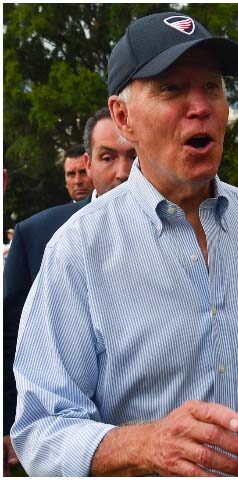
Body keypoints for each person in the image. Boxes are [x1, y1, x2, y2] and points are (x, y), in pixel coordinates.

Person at [11, 12, 238, 477]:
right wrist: (142, 444)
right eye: (172, 89)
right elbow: (39, 428)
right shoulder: (77, 249)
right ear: (123, 117)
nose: (201, 107)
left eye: (212, 86)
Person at [3, 107, 136, 475]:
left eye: (133, 156)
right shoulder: (39, 234)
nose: (122, 172)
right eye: (108, 157)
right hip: (59, 443)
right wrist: (9, 421)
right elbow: (10, 335)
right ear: (88, 164)